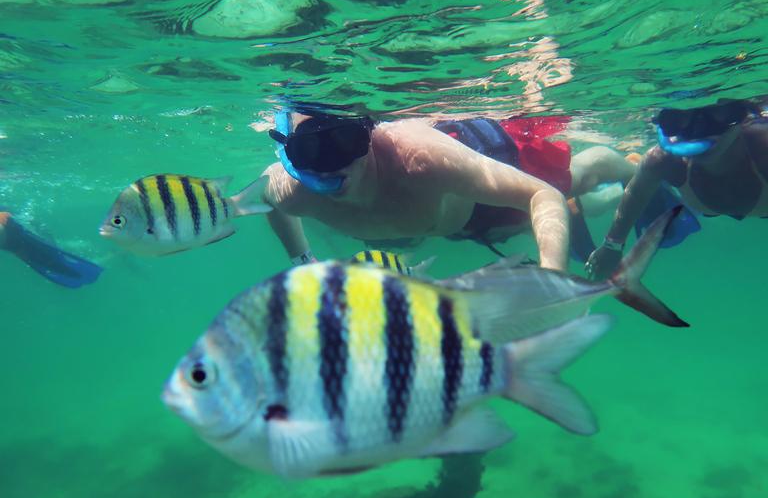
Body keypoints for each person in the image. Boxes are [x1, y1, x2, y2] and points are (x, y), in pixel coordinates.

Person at [260, 107, 638, 272]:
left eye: (347, 141)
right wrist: (304, 262)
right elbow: (267, 201)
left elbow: (542, 196)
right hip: (455, 222)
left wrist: (550, 279)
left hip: (484, 189)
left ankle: (629, 168)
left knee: (578, 178)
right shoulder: (290, 191)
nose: (335, 166)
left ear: (368, 133)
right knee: (525, 228)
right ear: (289, 153)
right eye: (310, 150)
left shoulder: (418, 159)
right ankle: (612, 199)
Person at [586, 98, 768, 282]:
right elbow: (635, 193)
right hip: (697, 203)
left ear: (744, 117)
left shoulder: (764, 147)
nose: (698, 132)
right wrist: (611, 246)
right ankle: (624, 176)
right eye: (680, 118)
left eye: (719, 114)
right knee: (646, 179)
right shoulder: (663, 161)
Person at [0, 212, 103, 288]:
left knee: (63, 265)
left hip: (19, 235)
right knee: (58, 257)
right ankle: (104, 255)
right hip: (18, 237)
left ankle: (109, 257)